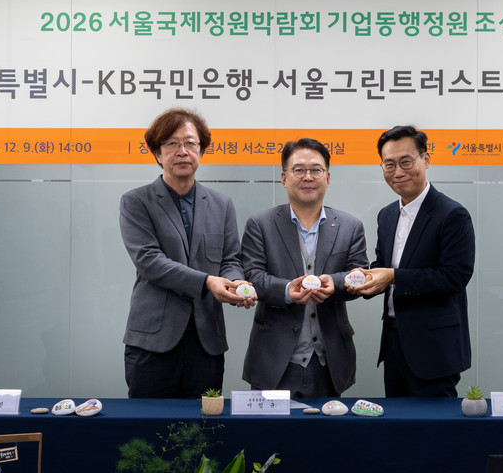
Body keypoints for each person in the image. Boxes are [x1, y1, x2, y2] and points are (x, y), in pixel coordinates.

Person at [119, 108, 255, 398]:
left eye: (190, 143)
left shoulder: (221, 204)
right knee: (148, 422)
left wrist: (236, 283)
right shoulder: (136, 201)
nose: (182, 151)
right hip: (154, 341)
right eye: (171, 143)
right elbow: (149, 261)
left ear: (202, 151)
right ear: (157, 154)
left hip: (206, 341)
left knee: (203, 422)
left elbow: (230, 259)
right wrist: (208, 281)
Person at [349, 125, 475, 397]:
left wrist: (393, 277)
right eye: (389, 164)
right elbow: (383, 265)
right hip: (394, 342)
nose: (398, 172)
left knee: (434, 423)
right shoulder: (386, 215)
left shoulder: (452, 214)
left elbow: (454, 277)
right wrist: (364, 280)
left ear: (426, 159)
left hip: (434, 347)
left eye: (406, 161)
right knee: (396, 422)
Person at [241, 138, 369, 398]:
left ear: (328, 177)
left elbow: (361, 275)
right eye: (299, 169)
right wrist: (287, 290)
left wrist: (335, 283)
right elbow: (252, 276)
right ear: (284, 178)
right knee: (269, 426)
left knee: (328, 425)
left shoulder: (350, 226)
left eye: (316, 170)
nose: (308, 177)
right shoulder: (260, 224)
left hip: (329, 361)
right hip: (274, 358)